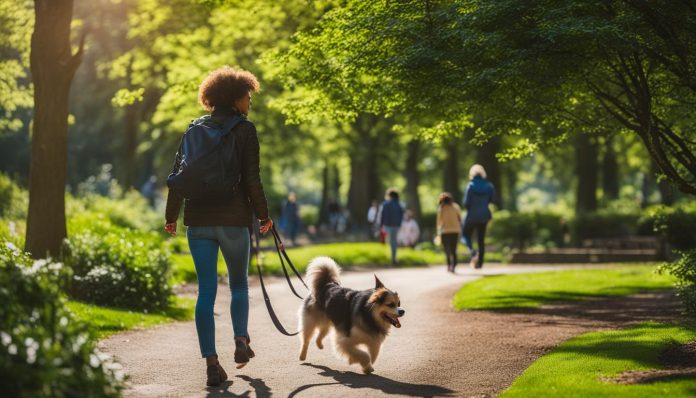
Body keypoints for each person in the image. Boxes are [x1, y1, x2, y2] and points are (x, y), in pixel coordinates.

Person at [164, 67, 273, 387]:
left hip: (197, 221)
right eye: (248, 96)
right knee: (238, 285)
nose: (250, 102)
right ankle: (241, 339)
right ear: (235, 98)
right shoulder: (245, 130)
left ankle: (211, 363)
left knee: (206, 291)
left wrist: (171, 217)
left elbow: (176, 177)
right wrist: (264, 215)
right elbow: (252, 179)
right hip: (234, 220)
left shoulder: (193, 128)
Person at [461, 164, 496, 269]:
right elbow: (493, 200)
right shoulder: (489, 186)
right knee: (481, 239)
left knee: (465, 234)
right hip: (484, 215)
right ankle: (480, 263)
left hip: (471, 215)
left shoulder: (470, 186)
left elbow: (466, 203)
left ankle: (472, 252)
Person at [436, 192, 462, 272]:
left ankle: (448, 265)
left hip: (445, 231)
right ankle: (454, 265)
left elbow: (439, 222)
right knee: (454, 249)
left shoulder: (441, 208)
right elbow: (460, 218)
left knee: (447, 249)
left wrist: (438, 231)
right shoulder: (456, 207)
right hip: (455, 230)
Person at [379, 188, 404, 265]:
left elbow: (382, 215)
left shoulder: (385, 204)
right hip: (396, 225)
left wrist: (381, 224)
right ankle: (393, 258)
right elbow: (401, 215)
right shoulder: (399, 204)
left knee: (390, 241)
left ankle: (392, 258)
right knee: (394, 241)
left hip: (388, 225)